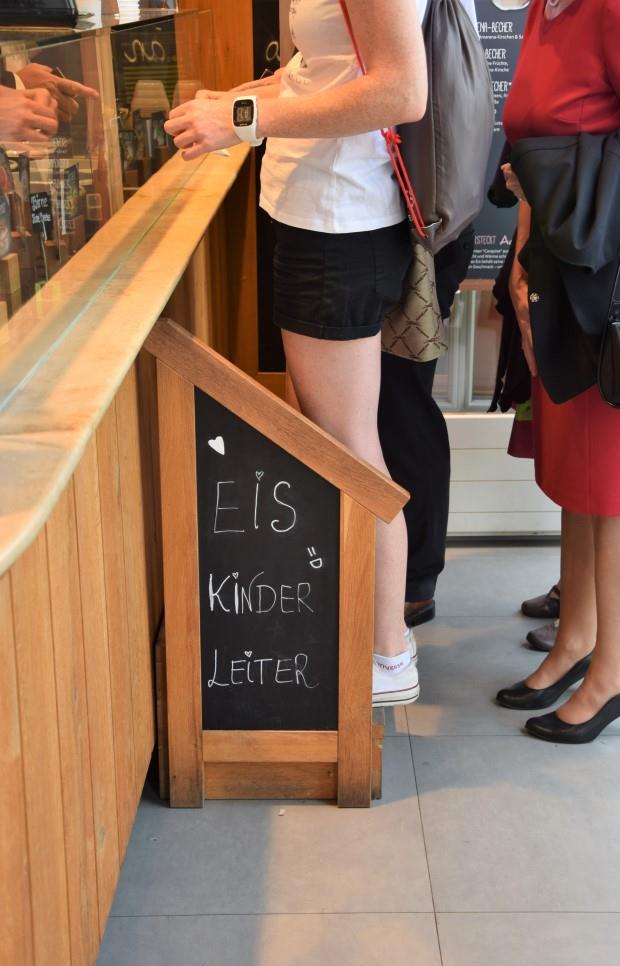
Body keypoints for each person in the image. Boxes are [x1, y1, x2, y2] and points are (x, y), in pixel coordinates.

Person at [164, 0, 429, 707]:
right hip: (317, 215)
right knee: (331, 442)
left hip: (340, 223)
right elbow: (319, 73)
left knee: (347, 451)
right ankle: (373, 641)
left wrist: (242, 120)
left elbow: (401, 89)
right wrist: (239, 100)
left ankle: (386, 657)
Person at [494, 0, 620, 742]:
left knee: (619, 489)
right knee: (576, 477)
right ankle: (575, 643)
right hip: (558, 279)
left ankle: (614, 678)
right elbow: (534, 156)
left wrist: (573, 182)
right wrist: (518, 260)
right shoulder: (546, 9)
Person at [379, 0, 478, 631]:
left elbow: (404, 95)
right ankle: (413, 570)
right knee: (399, 396)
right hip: (432, 212)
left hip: (417, 220)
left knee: (401, 398)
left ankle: (416, 573)